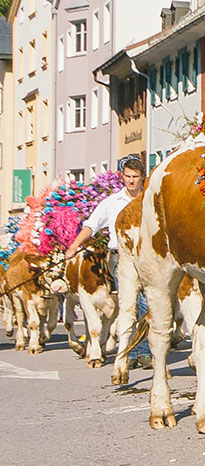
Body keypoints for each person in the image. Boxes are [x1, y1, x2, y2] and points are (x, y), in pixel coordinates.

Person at [65, 155, 151, 368]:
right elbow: (91, 226)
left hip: (147, 256)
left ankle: (144, 351)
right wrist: (74, 246)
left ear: (142, 178)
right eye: (128, 176)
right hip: (119, 257)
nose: (131, 181)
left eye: (136, 177)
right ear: (122, 177)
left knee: (147, 303)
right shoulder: (112, 203)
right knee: (127, 303)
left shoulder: (148, 201)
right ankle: (129, 353)